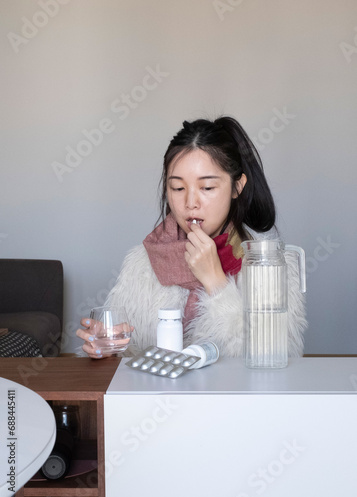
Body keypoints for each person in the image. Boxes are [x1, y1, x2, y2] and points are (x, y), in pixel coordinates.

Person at [76, 116, 307, 358]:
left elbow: (278, 358)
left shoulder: (270, 262)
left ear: (237, 187)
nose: (190, 203)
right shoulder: (142, 263)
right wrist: (107, 349)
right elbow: (129, 360)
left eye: (207, 188)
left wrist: (217, 282)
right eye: (178, 188)